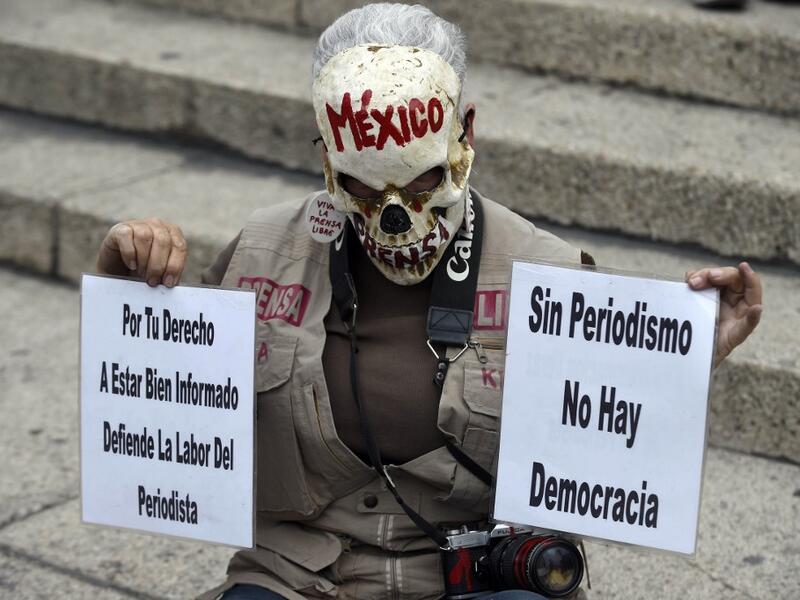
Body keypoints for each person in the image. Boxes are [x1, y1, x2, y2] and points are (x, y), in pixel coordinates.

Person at [95, 4, 763, 599]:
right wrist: (129, 293)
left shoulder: (547, 272)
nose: (396, 219)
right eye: (362, 184)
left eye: (421, 180)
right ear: (328, 160)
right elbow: (169, 415)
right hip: (298, 574)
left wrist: (681, 359)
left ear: (465, 133)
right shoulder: (263, 251)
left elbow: (601, 454)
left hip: (473, 576)